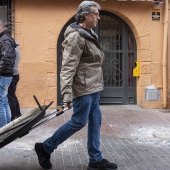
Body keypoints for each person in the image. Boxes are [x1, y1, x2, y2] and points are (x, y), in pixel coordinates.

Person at [34, 1, 118, 170]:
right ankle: (45, 148)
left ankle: (95, 159)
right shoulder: (75, 37)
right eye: (95, 14)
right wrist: (66, 95)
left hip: (94, 86)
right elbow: (67, 68)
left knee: (96, 121)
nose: (98, 17)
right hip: (83, 87)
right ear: (85, 14)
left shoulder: (89, 33)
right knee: (78, 122)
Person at [0, 20, 16, 128]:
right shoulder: (6, 38)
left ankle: (2, 129)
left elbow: (7, 58)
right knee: (4, 100)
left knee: (0, 102)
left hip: (4, 74)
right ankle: (7, 126)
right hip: (7, 74)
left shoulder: (4, 39)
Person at [8, 41, 22, 121]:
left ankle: (13, 116)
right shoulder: (17, 50)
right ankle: (18, 113)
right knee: (13, 95)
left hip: (12, 75)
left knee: (10, 97)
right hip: (16, 75)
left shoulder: (13, 51)